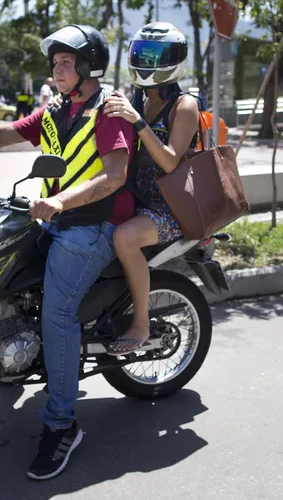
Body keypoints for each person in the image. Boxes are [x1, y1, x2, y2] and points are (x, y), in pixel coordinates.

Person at [0, 24, 135, 480]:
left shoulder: (108, 110)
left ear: (89, 66)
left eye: (66, 62)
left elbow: (114, 176)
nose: (57, 69)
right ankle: (7, 356)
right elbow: (3, 135)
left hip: (94, 223)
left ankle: (62, 423)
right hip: (55, 217)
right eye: (54, 62)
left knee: (58, 314)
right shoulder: (57, 109)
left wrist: (60, 201)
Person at [101, 22, 201, 354]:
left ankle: (141, 324)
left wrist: (138, 121)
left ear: (176, 59)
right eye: (143, 54)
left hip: (170, 208)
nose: (149, 62)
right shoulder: (138, 99)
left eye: (158, 55)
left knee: (124, 238)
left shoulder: (184, 106)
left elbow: (170, 161)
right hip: (136, 198)